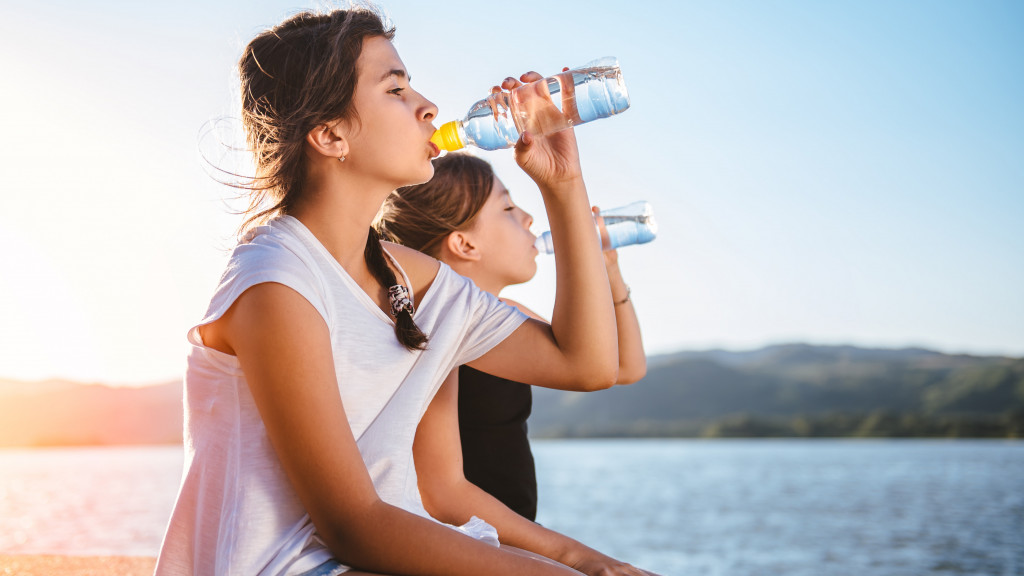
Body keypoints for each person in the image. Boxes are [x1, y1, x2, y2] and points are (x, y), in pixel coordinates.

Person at [153, 7, 659, 576]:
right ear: (330, 134)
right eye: (395, 89)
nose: (428, 108)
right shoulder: (278, 283)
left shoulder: (412, 281)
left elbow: (586, 365)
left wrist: (563, 186)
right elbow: (354, 525)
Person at [378, 153, 646, 521]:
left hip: (511, 541)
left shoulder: (504, 317)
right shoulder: (433, 328)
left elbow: (623, 367)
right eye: (507, 207)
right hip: (479, 546)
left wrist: (608, 270)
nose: (528, 217)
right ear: (465, 244)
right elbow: (440, 492)